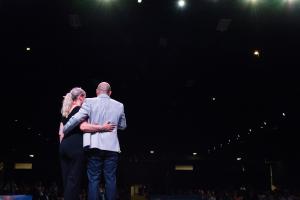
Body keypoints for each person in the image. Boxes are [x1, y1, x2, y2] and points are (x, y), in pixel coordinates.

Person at [63, 82, 127, 200]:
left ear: (97, 92)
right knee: (110, 179)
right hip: (112, 147)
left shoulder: (89, 102)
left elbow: (77, 118)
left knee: (93, 179)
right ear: (110, 93)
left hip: (95, 147)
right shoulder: (119, 105)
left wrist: (65, 128)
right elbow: (123, 126)